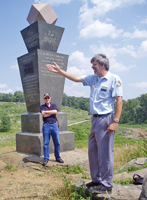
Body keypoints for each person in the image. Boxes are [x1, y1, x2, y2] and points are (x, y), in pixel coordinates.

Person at [46, 54, 123, 194]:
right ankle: (96, 180)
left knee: (105, 153)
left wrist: (115, 122)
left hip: (106, 118)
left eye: (94, 64)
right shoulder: (93, 78)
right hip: (95, 119)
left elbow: (119, 101)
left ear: (102, 64)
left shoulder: (114, 79)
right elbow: (76, 78)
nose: (92, 67)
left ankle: (106, 184)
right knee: (93, 150)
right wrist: (60, 71)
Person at [40, 93, 64, 166]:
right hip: (46, 125)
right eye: (45, 98)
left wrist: (46, 112)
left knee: (57, 142)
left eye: (48, 98)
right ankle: (46, 158)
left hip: (54, 125)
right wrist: (51, 112)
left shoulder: (54, 105)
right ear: (44, 99)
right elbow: (43, 114)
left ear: (50, 98)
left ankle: (57, 157)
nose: (47, 99)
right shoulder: (42, 106)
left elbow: (55, 112)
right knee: (46, 143)